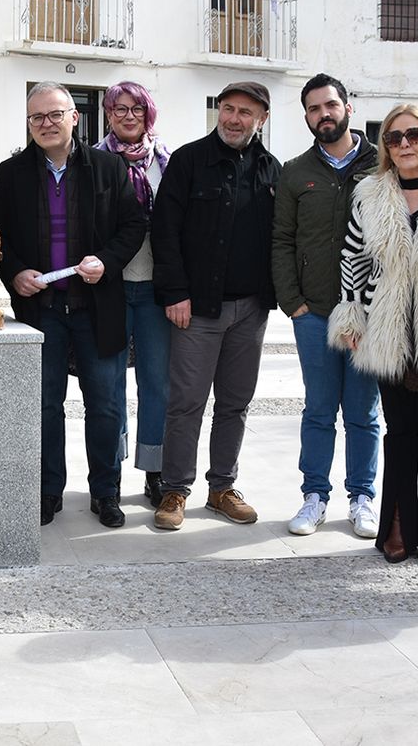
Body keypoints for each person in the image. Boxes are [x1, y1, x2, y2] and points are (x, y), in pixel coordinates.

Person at [0, 82, 145, 527]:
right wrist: (14, 272)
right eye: (37, 117)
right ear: (29, 124)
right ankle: (46, 491)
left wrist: (108, 262)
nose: (47, 124)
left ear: (75, 117)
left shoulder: (109, 168)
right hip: (42, 310)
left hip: (97, 307)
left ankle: (106, 493)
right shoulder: (11, 172)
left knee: (106, 404)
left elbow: (133, 226)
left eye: (55, 115)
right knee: (45, 404)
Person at [329, 104, 418, 565]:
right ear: (385, 146)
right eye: (394, 138)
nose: (405, 144)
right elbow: (353, 258)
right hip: (388, 329)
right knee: (399, 431)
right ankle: (395, 523)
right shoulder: (370, 193)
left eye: (414, 135)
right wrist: (352, 313)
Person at [151, 81, 280, 531]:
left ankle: (222, 487)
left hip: (252, 309)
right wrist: (175, 293)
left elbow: (279, 239)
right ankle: (175, 490)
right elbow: (164, 230)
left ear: (261, 119)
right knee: (186, 403)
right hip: (197, 309)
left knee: (235, 403)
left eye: (245, 112)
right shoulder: (188, 161)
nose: (233, 118)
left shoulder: (271, 169)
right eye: (227, 108)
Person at [273, 73, 382, 539]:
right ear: (306, 117)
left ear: (348, 108)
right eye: (315, 109)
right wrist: (291, 302)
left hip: (370, 313)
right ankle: (314, 496)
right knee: (319, 409)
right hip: (314, 313)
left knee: (363, 411)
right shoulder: (296, 171)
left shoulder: (382, 164)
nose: (324, 114)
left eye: (331, 105)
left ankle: (363, 498)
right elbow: (281, 239)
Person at [92, 81, 171, 507]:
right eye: (118, 109)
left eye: (135, 109)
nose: (127, 116)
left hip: (155, 288)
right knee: (110, 386)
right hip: (111, 289)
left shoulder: (166, 161)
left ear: (148, 114)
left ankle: (155, 471)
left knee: (157, 383)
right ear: (107, 114)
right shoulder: (92, 161)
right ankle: (111, 474)